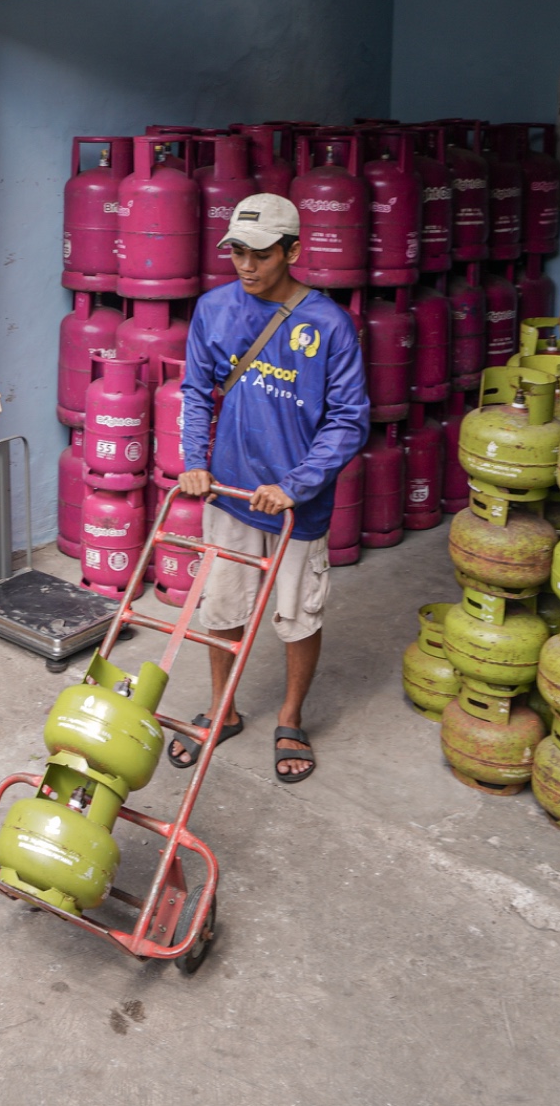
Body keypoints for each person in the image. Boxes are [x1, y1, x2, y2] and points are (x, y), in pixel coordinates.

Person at [171, 193, 368, 782]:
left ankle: (290, 717)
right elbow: (195, 393)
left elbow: (348, 419)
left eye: (260, 254)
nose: (247, 267)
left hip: (293, 508)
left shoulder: (328, 325)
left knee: (297, 617)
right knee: (221, 606)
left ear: (294, 251)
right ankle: (223, 708)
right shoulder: (214, 309)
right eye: (237, 253)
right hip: (229, 491)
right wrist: (193, 461)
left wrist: (297, 484)